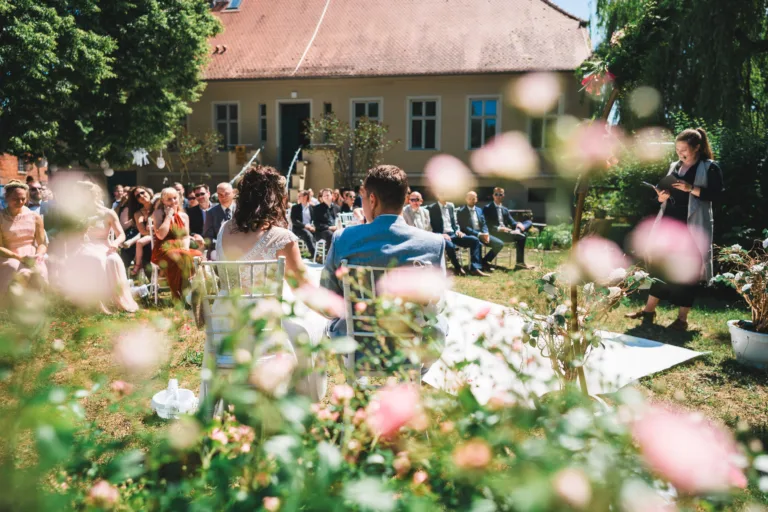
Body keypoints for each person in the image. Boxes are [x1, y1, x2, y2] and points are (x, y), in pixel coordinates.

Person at [209, 165, 327, 401]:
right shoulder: (281, 237)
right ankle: (301, 400)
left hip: (224, 325)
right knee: (313, 325)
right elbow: (303, 289)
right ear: (276, 200)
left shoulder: (224, 230)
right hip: (264, 330)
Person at [321, 165, 448, 345]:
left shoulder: (343, 238)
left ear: (372, 200)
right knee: (440, 326)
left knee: (328, 326)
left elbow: (328, 302)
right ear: (405, 200)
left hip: (356, 346)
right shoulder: (433, 243)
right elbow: (437, 305)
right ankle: (416, 372)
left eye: (362, 198)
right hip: (412, 347)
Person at [626, 128, 724, 331]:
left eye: (684, 149)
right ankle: (648, 311)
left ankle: (682, 320)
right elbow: (665, 193)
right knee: (660, 268)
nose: (680, 153)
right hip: (669, 224)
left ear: (697, 147)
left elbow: (716, 195)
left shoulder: (710, 167)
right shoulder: (674, 166)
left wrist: (691, 189)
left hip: (692, 226)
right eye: (677, 149)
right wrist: (660, 197)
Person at [66, 182, 138, 314]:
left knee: (113, 260)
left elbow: (121, 234)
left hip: (104, 245)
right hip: (83, 245)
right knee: (96, 259)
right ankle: (97, 303)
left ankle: (116, 300)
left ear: (95, 196)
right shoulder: (78, 214)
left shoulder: (108, 213)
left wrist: (115, 243)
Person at [0, 180, 48, 302]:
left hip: (31, 253)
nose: (20, 202)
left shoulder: (35, 217)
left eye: (23, 199)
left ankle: (36, 304)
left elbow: (42, 243)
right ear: (6, 197)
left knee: (38, 269)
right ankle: (10, 304)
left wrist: (39, 254)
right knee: (14, 266)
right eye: (15, 199)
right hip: (8, 255)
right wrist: (19, 257)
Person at [151, 187, 201, 300]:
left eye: (175, 198)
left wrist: (186, 249)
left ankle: (193, 291)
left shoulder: (184, 216)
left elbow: (186, 237)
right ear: (163, 201)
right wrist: (169, 216)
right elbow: (160, 235)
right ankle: (180, 295)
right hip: (164, 248)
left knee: (197, 254)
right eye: (169, 199)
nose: (173, 201)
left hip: (181, 248)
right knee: (179, 255)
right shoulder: (158, 213)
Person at [427, 198, 488, 277]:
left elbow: (455, 222)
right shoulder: (431, 208)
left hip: (453, 234)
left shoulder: (451, 205)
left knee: (474, 240)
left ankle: (475, 268)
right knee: (450, 246)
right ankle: (457, 267)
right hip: (442, 235)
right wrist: (440, 234)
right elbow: (429, 227)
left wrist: (458, 230)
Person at [483, 187, 533, 270]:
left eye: (500, 194)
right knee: (522, 235)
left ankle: (519, 263)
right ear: (493, 196)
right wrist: (499, 228)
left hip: (506, 233)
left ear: (503, 196)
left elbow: (512, 222)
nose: (498, 196)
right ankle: (485, 261)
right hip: (494, 234)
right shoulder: (487, 208)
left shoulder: (505, 209)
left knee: (528, 224)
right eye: (496, 194)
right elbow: (486, 224)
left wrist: (518, 224)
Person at [457, 191, 503, 272]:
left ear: (476, 199)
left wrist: (486, 233)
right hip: (470, 235)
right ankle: (478, 266)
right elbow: (464, 227)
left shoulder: (479, 210)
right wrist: (479, 234)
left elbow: (484, 223)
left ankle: (484, 261)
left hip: (482, 233)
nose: (472, 200)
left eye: (473, 198)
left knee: (499, 244)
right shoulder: (461, 211)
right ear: (466, 199)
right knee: (478, 243)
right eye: (470, 199)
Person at [202, 182, 235, 259]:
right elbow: (208, 238)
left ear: (233, 193)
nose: (223, 197)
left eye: (226, 194)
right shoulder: (211, 213)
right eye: (220, 195)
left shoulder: (240, 211)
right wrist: (223, 245)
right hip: (218, 251)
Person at [126, 187, 154, 276]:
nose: (141, 196)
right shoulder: (138, 214)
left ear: (148, 192)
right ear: (137, 200)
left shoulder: (159, 206)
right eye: (138, 196)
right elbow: (142, 232)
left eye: (142, 192)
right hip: (147, 242)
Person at [290, 190, 316, 256]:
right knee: (307, 234)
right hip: (299, 228)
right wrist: (305, 226)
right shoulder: (295, 208)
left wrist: (314, 226)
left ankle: (327, 255)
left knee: (321, 232)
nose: (298, 198)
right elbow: (294, 221)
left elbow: (315, 219)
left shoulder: (312, 208)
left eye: (299, 196)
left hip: (311, 227)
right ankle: (315, 255)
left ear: (305, 197)